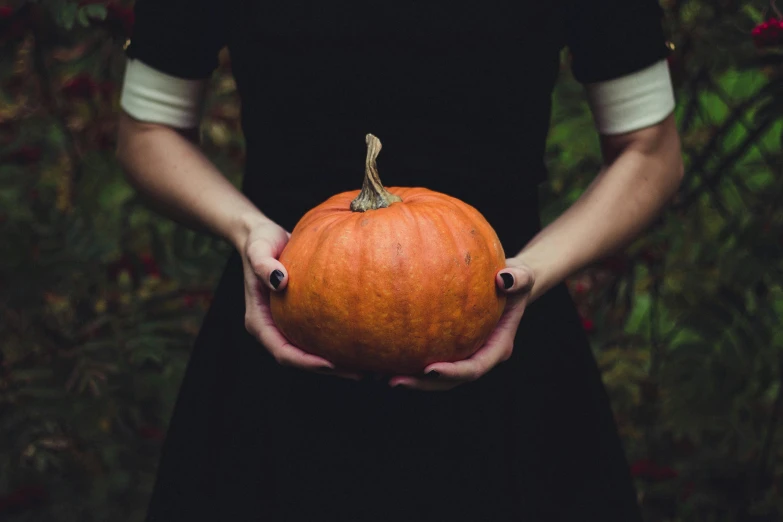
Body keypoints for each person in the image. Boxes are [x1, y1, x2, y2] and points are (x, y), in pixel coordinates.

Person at [116, 0, 684, 520]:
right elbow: (148, 129)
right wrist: (247, 232)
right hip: (282, 318)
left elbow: (650, 150)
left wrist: (532, 272)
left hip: (505, 329)